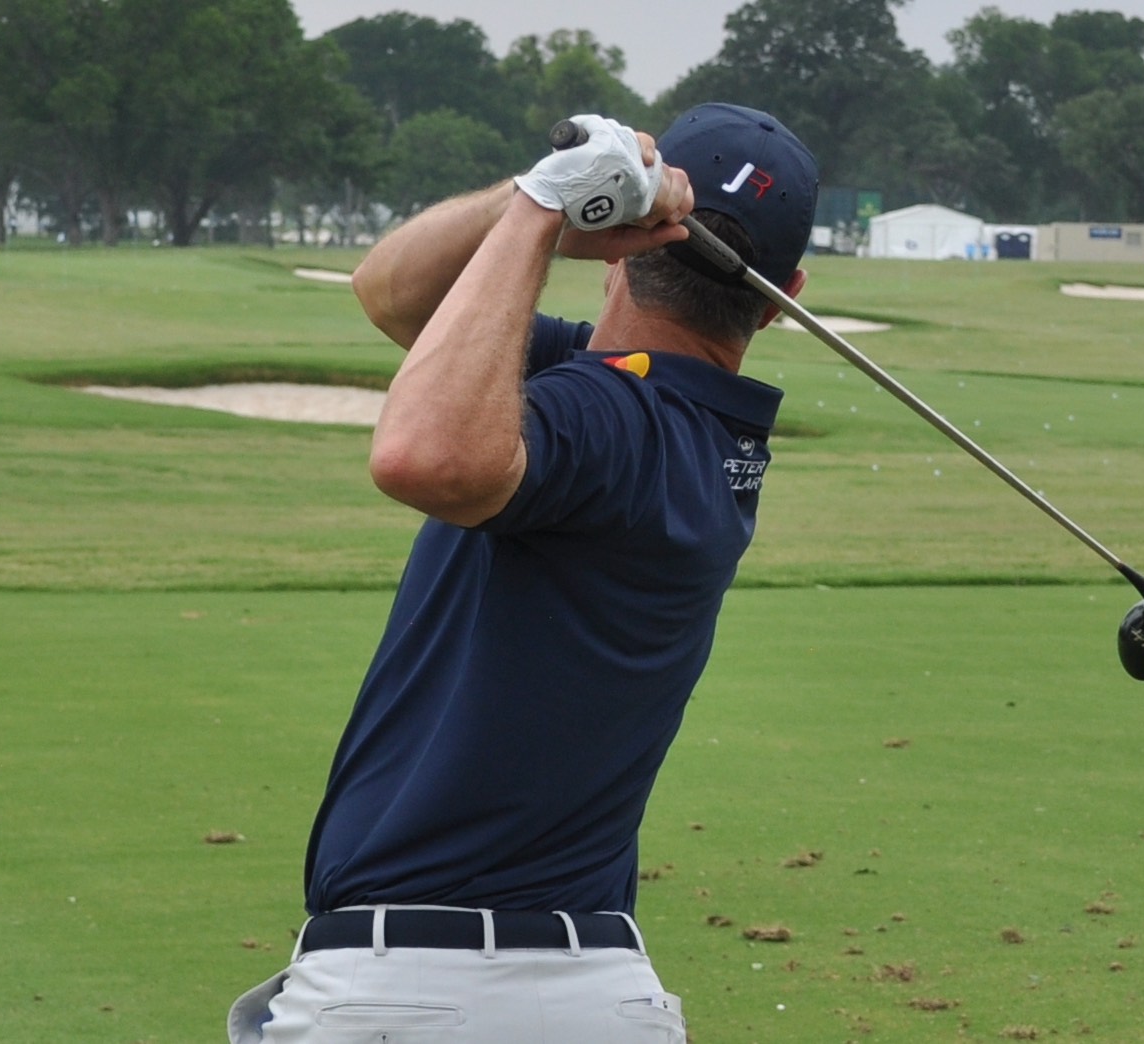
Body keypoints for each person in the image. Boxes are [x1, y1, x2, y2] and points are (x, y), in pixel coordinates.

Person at [228, 103, 819, 1044]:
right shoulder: (689, 423)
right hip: (601, 993)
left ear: (629, 244)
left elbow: (421, 456)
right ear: (785, 291)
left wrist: (549, 208)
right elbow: (394, 295)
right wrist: (530, 206)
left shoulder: (606, 414)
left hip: (415, 993)